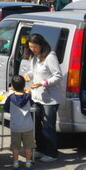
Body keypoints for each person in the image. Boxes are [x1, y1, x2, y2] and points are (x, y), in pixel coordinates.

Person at [23, 34, 63, 162]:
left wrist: (43, 83)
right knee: (35, 124)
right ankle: (41, 149)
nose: (33, 49)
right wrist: (27, 75)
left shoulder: (50, 56)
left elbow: (58, 76)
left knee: (48, 126)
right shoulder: (34, 57)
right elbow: (32, 71)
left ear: (41, 45)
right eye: (30, 47)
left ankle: (51, 153)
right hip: (36, 97)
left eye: (35, 47)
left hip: (49, 99)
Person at [4, 76, 35, 170]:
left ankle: (16, 163)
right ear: (24, 85)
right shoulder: (28, 97)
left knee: (15, 146)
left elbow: (6, 109)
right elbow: (33, 106)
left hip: (15, 126)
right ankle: (28, 163)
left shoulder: (10, 98)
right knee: (28, 146)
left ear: (12, 86)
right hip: (28, 126)